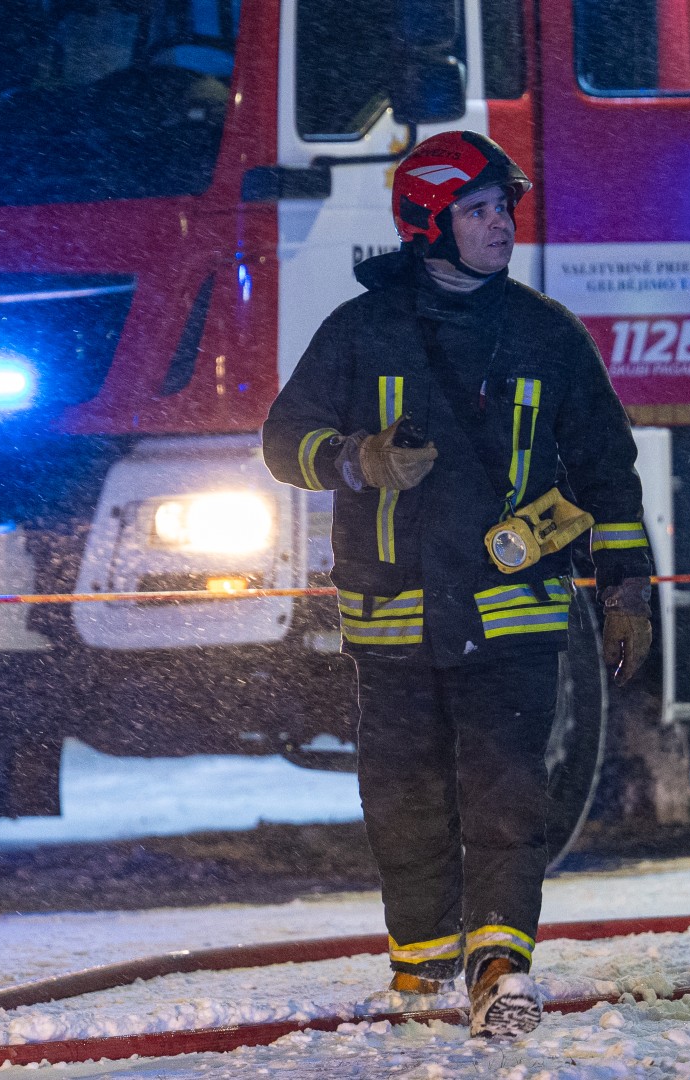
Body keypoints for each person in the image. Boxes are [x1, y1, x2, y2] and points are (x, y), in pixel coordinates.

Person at [260, 131, 654, 1037]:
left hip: (513, 618)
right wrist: (356, 458)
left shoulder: (548, 334)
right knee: (404, 801)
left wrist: (626, 591)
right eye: (477, 210)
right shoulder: (360, 331)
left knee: (507, 794)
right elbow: (283, 442)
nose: (500, 225)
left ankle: (501, 971)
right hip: (393, 619)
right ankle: (422, 973)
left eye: (503, 208)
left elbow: (608, 471)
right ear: (428, 223)